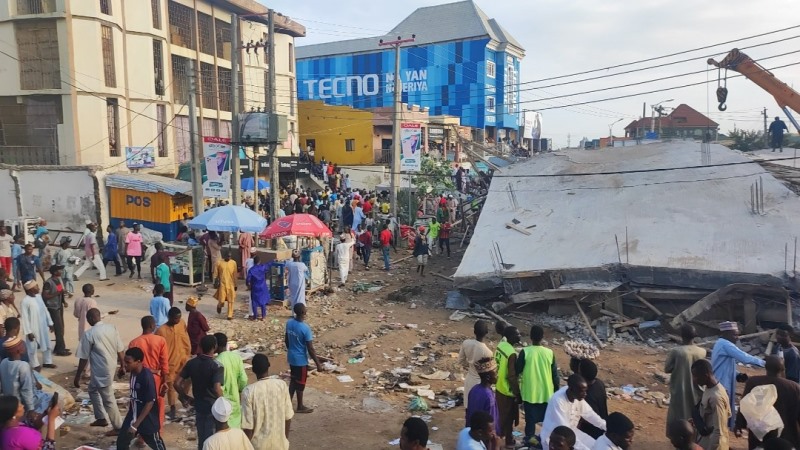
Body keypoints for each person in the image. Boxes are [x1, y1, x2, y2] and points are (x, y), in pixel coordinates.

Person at [74, 308, 125, 434]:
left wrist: (78, 375)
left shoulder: (89, 334)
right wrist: (123, 365)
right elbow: (120, 348)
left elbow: (83, 357)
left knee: (108, 398)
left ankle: (118, 427)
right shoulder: (112, 328)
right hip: (111, 366)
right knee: (92, 389)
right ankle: (101, 417)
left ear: (91, 318)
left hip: (101, 370)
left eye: (88, 319)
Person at [735, 355, 800, 449]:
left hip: (761, 437)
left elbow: (745, 405)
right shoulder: (794, 387)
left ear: (766, 367)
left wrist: (739, 424)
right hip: (787, 437)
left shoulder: (754, 382)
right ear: (783, 369)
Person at [711, 321, 764, 429]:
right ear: (726, 333)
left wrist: (738, 375)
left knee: (724, 412)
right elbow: (744, 357)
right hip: (722, 383)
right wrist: (765, 363)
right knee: (722, 413)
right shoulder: (726, 344)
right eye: (734, 335)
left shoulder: (720, 343)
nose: (737, 337)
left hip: (723, 380)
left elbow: (725, 366)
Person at [175, 335, 224, 449]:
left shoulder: (191, 363)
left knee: (202, 439)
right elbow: (217, 388)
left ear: (200, 347)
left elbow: (176, 383)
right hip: (213, 408)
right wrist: (223, 403)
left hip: (199, 406)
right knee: (213, 440)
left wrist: (185, 397)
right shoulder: (217, 366)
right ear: (215, 347)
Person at [116, 347, 166, 450]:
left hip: (147, 419)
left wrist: (135, 425)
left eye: (128, 362)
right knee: (121, 442)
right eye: (125, 362)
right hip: (132, 415)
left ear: (138, 362)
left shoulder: (146, 377)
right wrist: (122, 371)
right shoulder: (133, 371)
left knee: (156, 444)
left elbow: (150, 402)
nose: (125, 364)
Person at [516, 324, 559, 445]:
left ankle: (529, 443)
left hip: (530, 393)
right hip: (546, 393)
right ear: (542, 337)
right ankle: (545, 443)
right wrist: (556, 392)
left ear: (530, 337)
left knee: (530, 422)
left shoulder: (525, 352)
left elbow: (517, 370)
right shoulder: (549, 353)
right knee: (546, 422)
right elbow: (555, 376)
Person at [240, 353, 293, 449]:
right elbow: (288, 417)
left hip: (258, 446)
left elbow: (248, 427)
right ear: (269, 365)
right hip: (280, 444)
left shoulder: (249, 392)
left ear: (253, 370)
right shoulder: (281, 386)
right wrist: (285, 439)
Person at [540, 374, 607, 450]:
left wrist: (607, 427)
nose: (585, 394)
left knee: (595, 445)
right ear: (571, 389)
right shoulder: (558, 401)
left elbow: (590, 414)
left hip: (572, 431)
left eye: (585, 391)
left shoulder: (577, 397)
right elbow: (565, 430)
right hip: (556, 439)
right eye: (582, 391)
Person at [665, 324, 707, 434]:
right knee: (695, 414)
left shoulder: (676, 352)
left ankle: (679, 436)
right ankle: (694, 436)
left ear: (681, 335)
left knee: (679, 414)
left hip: (680, 388)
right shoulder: (702, 351)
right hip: (697, 388)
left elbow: (667, 368)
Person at [128, 316, 169, 427]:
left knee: (140, 403)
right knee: (158, 404)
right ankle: (157, 430)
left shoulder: (134, 342)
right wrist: (165, 381)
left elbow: (130, 364)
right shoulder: (160, 340)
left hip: (139, 378)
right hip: (156, 378)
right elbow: (164, 364)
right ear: (152, 326)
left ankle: (140, 430)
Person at [285, 303, 322, 413]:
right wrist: (318, 364)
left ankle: (287, 404)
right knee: (300, 383)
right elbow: (310, 348)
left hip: (291, 357)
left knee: (293, 380)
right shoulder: (305, 328)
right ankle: (300, 406)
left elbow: (286, 339)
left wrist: (291, 349)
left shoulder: (289, 323)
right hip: (300, 360)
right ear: (303, 313)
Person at [156, 307, 191, 421]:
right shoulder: (161, 330)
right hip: (170, 362)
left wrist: (187, 353)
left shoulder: (182, 324)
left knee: (186, 380)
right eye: (176, 318)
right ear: (169, 317)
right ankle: (172, 408)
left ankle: (183, 397)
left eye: (179, 318)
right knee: (170, 385)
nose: (178, 320)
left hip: (183, 359)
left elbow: (186, 338)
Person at [692, 358, 731, 450]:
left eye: (695, 376)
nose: (694, 380)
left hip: (712, 444)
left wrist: (713, 447)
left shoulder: (716, 398)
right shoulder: (711, 388)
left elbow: (719, 431)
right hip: (704, 440)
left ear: (705, 376)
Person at [494, 325, 521, 448]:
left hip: (499, 386)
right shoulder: (511, 353)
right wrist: (517, 393)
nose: (519, 336)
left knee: (500, 416)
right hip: (507, 390)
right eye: (517, 334)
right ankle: (507, 441)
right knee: (509, 418)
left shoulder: (501, 345)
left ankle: (500, 439)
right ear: (510, 337)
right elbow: (511, 376)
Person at [214, 332, 246, 428]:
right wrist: (239, 390)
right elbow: (243, 379)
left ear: (216, 345)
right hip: (235, 398)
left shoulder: (216, 362)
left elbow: (217, 387)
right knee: (236, 427)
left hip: (223, 401)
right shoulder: (236, 357)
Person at [459, 320, 493, 409]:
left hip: (469, 379)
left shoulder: (466, 343)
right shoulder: (488, 352)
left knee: (468, 407)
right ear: (486, 332)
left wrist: (471, 366)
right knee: (479, 410)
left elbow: (461, 361)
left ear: (474, 331)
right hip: (480, 382)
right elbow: (488, 372)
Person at [20, 280, 54, 370]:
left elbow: (45, 310)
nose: (39, 288)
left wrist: (50, 323)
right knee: (32, 347)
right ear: (31, 289)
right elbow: (25, 317)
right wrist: (28, 332)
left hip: (43, 326)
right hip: (33, 328)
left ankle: (47, 362)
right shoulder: (25, 301)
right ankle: (35, 364)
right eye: (36, 287)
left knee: (47, 343)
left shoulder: (39, 297)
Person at [0, 336, 38, 413]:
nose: (25, 347)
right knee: (52, 400)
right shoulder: (23, 366)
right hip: (20, 404)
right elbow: (26, 389)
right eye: (23, 346)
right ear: (18, 350)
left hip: (8, 401)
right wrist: (31, 409)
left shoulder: (3, 362)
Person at [465, 357, 501, 436]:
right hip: (484, 435)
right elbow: (491, 421)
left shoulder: (474, 389)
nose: (498, 375)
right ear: (488, 377)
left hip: (472, 432)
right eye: (496, 373)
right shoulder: (488, 396)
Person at [40, 264, 69, 357]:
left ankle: (59, 347)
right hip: (52, 307)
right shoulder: (48, 283)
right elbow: (44, 296)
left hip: (58, 306)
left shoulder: (58, 280)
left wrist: (64, 301)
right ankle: (60, 349)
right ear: (55, 272)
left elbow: (61, 293)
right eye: (59, 270)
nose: (61, 271)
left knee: (61, 328)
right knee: (58, 328)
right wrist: (57, 293)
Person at [578, 360, 608, 440]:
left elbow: (590, 416)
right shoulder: (599, 383)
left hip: (592, 432)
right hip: (602, 424)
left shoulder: (586, 394)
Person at [213, 250, 238, 320]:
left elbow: (235, 275)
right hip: (222, 284)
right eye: (228, 256)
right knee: (221, 300)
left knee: (231, 300)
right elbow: (215, 273)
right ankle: (219, 305)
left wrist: (236, 285)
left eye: (230, 256)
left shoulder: (233, 263)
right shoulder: (219, 262)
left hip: (231, 284)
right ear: (224, 256)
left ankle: (230, 315)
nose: (229, 258)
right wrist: (215, 282)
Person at [246, 255, 271, 321]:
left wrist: (248, 285)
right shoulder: (262, 267)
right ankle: (263, 316)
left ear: (253, 262)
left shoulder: (251, 270)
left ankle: (255, 317)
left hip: (255, 287)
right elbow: (268, 264)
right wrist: (273, 260)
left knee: (254, 302)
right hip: (262, 287)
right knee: (263, 301)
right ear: (259, 261)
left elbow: (248, 279)